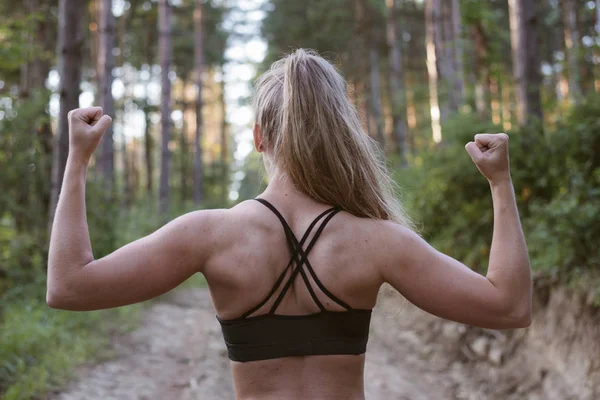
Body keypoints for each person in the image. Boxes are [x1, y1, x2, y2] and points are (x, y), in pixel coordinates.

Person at [47, 49, 532, 400]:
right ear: (341, 136)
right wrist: (500, 183)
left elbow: (69, 286)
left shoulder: (209, 235)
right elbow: (509, 306)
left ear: (259, 137)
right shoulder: (377, 241)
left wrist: (79, 160)